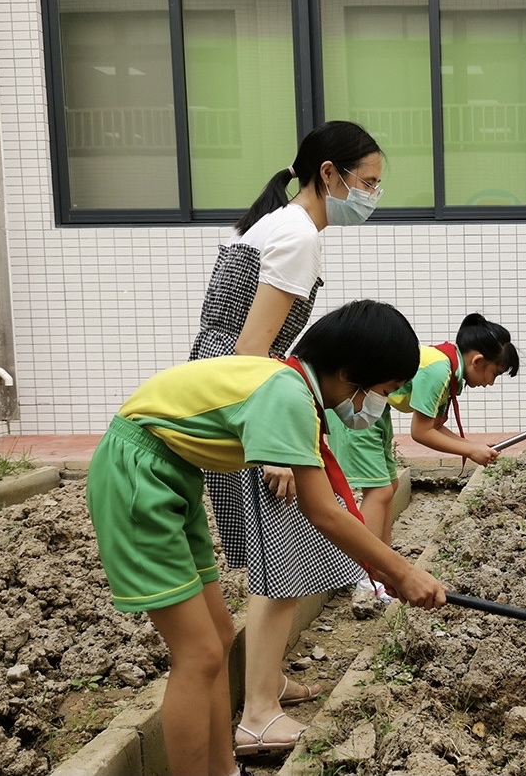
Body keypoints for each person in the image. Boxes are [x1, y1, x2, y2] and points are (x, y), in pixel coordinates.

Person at [87, 300, 447, 776]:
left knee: (218, 637)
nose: (378, 405)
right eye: (383, 391)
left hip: (170, 473)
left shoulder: (291, 384)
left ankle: (223, 769)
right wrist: (401, 571)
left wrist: (389, 570)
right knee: (198, 652)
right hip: (139, 474)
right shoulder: (288, 394)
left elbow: (326, 508)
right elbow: (323, 511)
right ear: (349, 374)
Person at [188, 120, 385, 754]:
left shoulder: (273, 224)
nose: (373, 195)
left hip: (224, 386)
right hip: (245, 394)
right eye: (368, 182)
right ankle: (258, 716)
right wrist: (272, 447)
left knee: (271, 554)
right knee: (281, 560)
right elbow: (253, 350)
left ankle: (267, 685)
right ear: (329, 174)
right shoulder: (298, 235)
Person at [327, 312, 519, 595]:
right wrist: (470, 449)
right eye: (495, 373)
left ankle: (383, 566)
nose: (490, 383)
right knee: (378, 491)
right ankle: (366, 577)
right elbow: (421, 432)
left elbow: (434, 427)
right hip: (358, 406)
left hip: (375, 408)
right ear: (478, 361)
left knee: (390, 486)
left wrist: (472, 447)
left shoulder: (448, 368)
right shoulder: (440, 371)